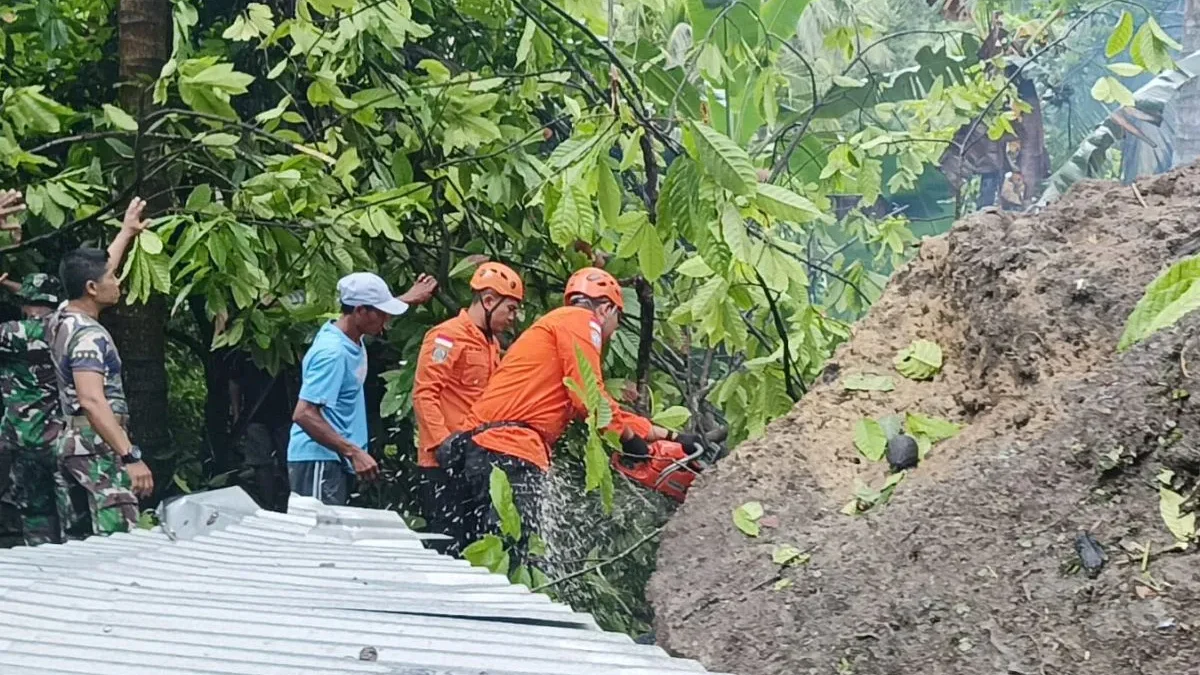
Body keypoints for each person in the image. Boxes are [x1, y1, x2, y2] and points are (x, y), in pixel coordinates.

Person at [444, 267, 674, 561]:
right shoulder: (582, 321)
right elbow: (589, 397)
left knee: (484, 553)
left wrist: (663, 434)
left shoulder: (560, 324)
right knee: (514, 554)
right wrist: (631, 442)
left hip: (486, 448)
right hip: (509, 451)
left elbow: (590, 403)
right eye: (617, 319)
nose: (614, 332)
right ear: (606, 308)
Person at [50, 197, 154, 538]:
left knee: (82, 544)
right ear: (92, 289)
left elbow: (95, 271)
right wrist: (130, 456)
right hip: (98, 446)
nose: (118, 281)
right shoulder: (89, 336)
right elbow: (92, 400)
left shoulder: (62, 318)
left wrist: (126, 232)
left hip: (72, 443)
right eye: (113, 277)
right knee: (119, 541)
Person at [288, 271, 437, 505]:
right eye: (382, 313)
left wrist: (408, 297)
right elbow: (303, 413)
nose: (386, 320)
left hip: (335, 458)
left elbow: (374, 311)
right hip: (319, 459)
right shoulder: (332, 353)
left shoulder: (348, 333)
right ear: (359, 311)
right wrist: (354, 452)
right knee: (319, 528)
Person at [412, 262, 523, 554]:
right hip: (442, 464)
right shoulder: (447, 337)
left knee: (476, 547)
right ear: (488, 300)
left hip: (475, 462)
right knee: (446, 547)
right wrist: (442, 443)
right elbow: (425, 394)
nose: (513, 317)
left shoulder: (491, 344)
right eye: (510, 309)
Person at [229, 352, 298, 512]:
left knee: (289, 460)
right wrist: (237, 414)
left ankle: (293, 502)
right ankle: (268, 505)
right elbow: (234, 382)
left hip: (285, 415)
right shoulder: (242, 354)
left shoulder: (287, 349)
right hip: (254, 415)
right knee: (261, 463)